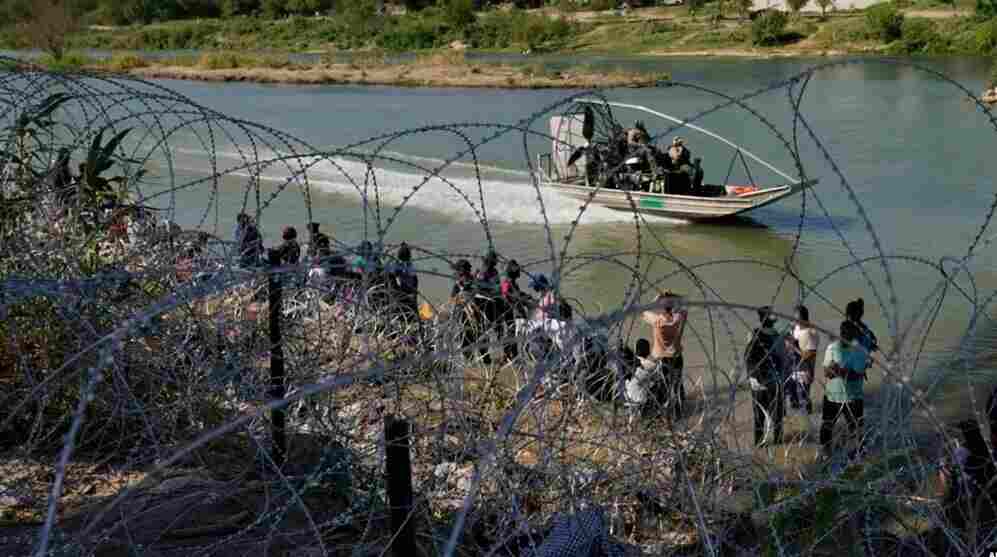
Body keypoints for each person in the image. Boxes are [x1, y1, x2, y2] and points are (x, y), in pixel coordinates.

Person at [819, 320, 869, 460]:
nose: (843, 336)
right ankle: (825, 454)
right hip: (832, 396)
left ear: (853, 334)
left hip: (853, 398)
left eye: (847, 334)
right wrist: (834, 371)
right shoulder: (832, 348)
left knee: (857, 430)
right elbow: (826, 371)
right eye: (842, 333)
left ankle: (859, 457)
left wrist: (839, 372)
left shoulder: (860, 351)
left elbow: (857, 374)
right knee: (827, 426)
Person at [642, 291, 687, 419]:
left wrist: (657, 298)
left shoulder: (657, 321)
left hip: (662, 359)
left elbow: (644, 310)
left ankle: (667, 415)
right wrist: (672, 295)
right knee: (677, 384)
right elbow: (683, 302)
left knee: (665, 387)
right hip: (677, 357)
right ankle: (680, 412)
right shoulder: (679, 317)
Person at [746, 306, 786, 447]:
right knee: (777, 416)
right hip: (774, 381)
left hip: (756, 381)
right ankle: (779, 443)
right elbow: (783, 360)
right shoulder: (778, 337)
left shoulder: (752, 334)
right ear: (773, 321)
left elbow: (748, 359)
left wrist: (752, 378)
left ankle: (759, 444)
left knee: (759, 415)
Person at [451, 258, 490, 365]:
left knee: (474, 338)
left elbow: (454, 299)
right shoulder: (462, 283)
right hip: (468, 315)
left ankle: (481, 361)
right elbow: (454, 299)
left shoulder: (469, 282)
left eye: (459, 271)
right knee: (473, 338)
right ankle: (479, 361)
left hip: (472, 315)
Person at [788, 305, 820, 415]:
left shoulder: (811, 333)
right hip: (793, 368)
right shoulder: (796, 327)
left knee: (804, 399)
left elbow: (810, 354)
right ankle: (799, 420)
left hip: (805, 371)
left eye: (795, 318)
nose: (794, 320)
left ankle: (809, 420)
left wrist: (794, 347)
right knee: (793, 400)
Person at [500, 259, 534, 362]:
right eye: (517, 271)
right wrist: (520, 298)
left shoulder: (512, 282)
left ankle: (513, 355)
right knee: (511, 333)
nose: (519, 272)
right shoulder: (507, 283)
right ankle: (508, 356)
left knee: (513, 334)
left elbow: (516, 294)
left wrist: (525, 296)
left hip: (514, 311)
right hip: (510, 312)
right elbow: (506, 295)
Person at [625, 338, 660, 424]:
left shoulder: (631, 362)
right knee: (657, 384)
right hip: (639, 399)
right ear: (647, 351)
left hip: (627, 396)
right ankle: (652, 413)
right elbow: (657, 372)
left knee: (645, 382)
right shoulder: (649, 365)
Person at [387, 242, 419, 320]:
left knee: (407, 311)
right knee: (405, 311)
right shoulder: (400, 265)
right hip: (403, 290)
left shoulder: (406, 264)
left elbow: (414, 279)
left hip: (406, 289)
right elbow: (392, 277)